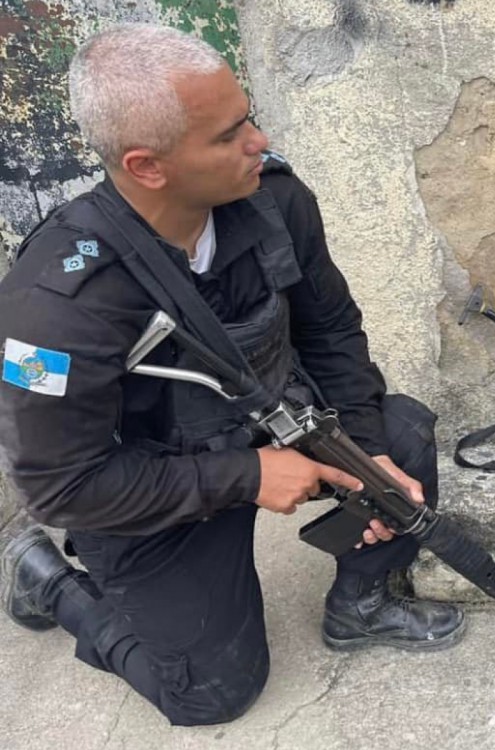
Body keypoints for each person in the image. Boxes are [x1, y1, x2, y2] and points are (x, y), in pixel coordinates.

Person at [0, 24, 465, 726]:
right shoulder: (54, 308)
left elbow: (329, 328)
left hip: (277, 421)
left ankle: (361, 605)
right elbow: (63, 485)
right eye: (227, 135)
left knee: (401, 440)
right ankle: (51, 583)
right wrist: (249, 476)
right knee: (212, 695)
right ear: (147, 165)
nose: (258, 140)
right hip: (154, 493)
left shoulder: (273, 197)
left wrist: (363, 451)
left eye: (246, 114)